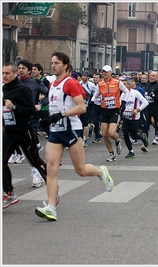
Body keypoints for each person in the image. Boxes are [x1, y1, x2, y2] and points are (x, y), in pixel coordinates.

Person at [35, 52, 114, 221]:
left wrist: (62, 114)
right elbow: (55, 105)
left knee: (80, 170)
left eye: (57, 62)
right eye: (52, 62)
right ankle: (51, 207)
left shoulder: (70, 83)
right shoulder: (52, 84)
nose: (53, 65)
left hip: (72, 130)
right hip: (56, 131)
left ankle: (101, 173)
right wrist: (48, 119)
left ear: (65, 65)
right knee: (51, 167)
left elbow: (81, 108)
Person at [2, 62, 47, 209]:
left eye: (7, 73)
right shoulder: (4, 88)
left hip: (24, 131)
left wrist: (14, 107)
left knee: (36, 162)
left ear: (15, 74)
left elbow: (31, 110)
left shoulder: (23, 89)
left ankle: (52, 185)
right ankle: (10, 193)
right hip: (9, 131)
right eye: (2, 73)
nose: (4, 76)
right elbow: (5, 110)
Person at [18, 59, 49, 187]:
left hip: (32, 118)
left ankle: (36, 171)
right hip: (16, 118)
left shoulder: (35, 83)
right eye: (19, 68)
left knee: (29, 148)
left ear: (29, 71)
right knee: (24, 148)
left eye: (23, 68)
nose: (20, 70)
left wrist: (40, 104)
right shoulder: (13, 83)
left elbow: (49, 94)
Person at [92, 65, 129, 162]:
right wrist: (92, 101)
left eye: (106, 72)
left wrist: (123, 101)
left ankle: (117, 141)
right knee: (105, 134)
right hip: (104, 110)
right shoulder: (100, 84)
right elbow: (96, 95)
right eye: (103, 72)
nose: (104, 73)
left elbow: (126, 91)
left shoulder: (117, 82)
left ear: (110, 72)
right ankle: (111, 153)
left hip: (114, 110)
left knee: (112, 133)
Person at [120, 77, 149, 157]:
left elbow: (145, 102)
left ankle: (143, 137)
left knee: (134, 135)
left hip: (134, 118)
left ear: (129, 85)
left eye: (125, 84)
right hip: (126, 117)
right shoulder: (122, 95)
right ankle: (131, 151)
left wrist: (138, 109)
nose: (123, 86)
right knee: (125, 134)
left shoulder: (135, 93)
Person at [143, 71, 158, 150]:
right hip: (147, 108)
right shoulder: (146, 85)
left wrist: (154, 96)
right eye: (150, 75)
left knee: (157, 125)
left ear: (156, 77)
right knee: (146, 125)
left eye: (153, 76)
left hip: (156, 109)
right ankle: (145, 144)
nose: (151, 77)